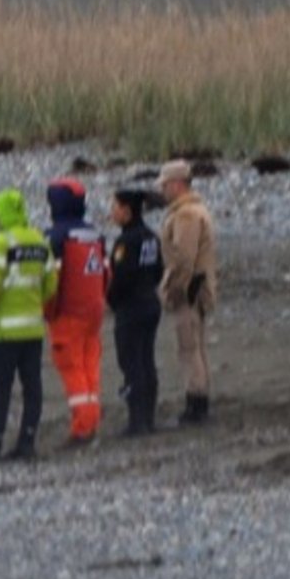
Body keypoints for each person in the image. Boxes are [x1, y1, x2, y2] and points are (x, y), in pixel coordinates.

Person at [0, 187, 58, 462]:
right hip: (33, 328)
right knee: (32, 386)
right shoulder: (40, 242)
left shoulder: (1, 243)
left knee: (1, 388)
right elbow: (51, 285)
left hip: (4, 330)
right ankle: (27, 440)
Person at [45, 178, 109, 445]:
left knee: (72, 368)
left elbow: (51, 280)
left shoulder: (55, 237)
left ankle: (83, 426)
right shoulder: (96, 235)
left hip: (68, 313)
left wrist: (48, 310)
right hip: (93, 309)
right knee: (89, 364)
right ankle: (90, 421)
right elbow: (106, 273)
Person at [157, 160, 218, 425]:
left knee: (189, 347)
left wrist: (173, 290)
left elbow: (184, 259)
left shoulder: (186, 215)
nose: (163, 190)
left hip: (190, 290)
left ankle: (196, 405)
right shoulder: (195, 210)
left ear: (177, 184)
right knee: (195, 346)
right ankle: (199, 401)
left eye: (165, 185)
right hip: (198, 288)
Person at [107, 188, 164, 436]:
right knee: (146, 360)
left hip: (131, 307)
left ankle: (137, 420)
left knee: (131, 363)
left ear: (127, 211)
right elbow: (159, 270)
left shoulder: (125, 242)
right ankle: (148, 418)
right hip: (150, 302)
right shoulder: (151, 237)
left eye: (115, 207)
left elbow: (120, 278)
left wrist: (111, 300)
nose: (112, 212)